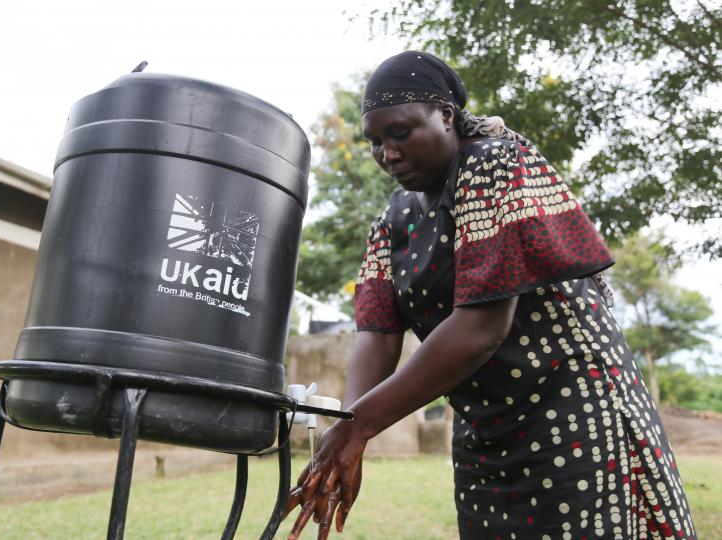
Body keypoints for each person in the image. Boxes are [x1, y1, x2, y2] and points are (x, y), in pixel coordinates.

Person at [284, 51, 696, 540]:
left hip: (571, 412)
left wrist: (358, 427)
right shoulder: (394, 220)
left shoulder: (492, 164)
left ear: (446, 116)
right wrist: (345, 429)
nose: (387, 153)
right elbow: (376, 332)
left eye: (401, 133)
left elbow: (481, 327)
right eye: (375, 141)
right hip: (487, 430)